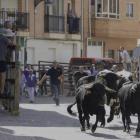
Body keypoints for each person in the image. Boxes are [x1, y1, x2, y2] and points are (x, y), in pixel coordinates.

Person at [0, 29, 15, 96]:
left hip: (2, 59)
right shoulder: (3, 38)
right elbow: (13, 43)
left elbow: (5, 50)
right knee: (3, 76)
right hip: (1, 60)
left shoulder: (1, 40)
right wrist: (15, 37)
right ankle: (2, 92)